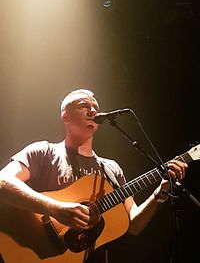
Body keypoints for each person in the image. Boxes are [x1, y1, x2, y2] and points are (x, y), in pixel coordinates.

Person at [0, 89, 187, 263]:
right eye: (83, 105)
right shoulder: (44, 152)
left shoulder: (111, 169)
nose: (92, 111)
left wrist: (160, 191)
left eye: (95, 107)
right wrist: (55, 208)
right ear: (65, 115)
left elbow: (134, 224)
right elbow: (3, 182)